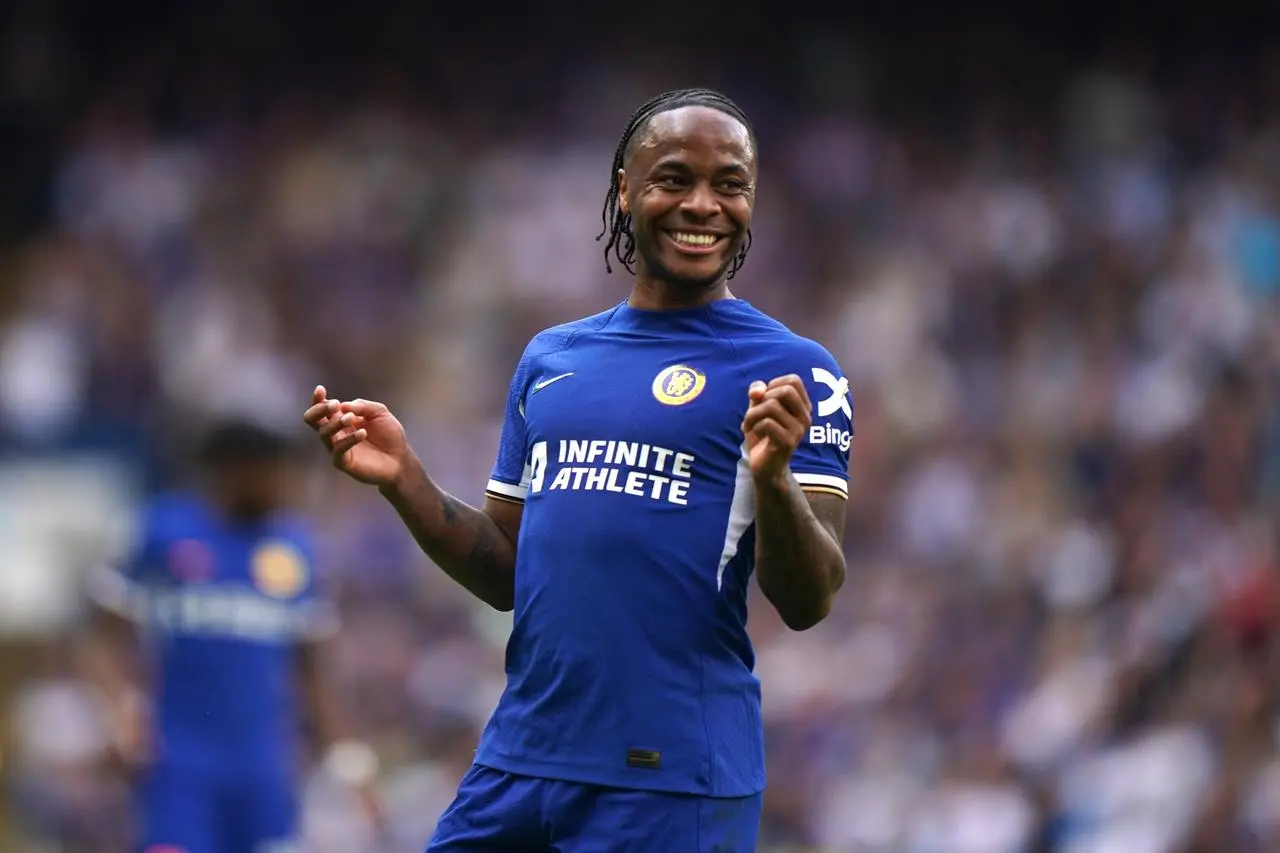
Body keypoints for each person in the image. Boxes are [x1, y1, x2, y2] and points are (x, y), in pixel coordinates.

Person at [304, 87, 853, 853]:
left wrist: (775, 478)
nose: (703, 204)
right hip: (520, 759)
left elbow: (811, 597)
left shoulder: (795, 369)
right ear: (625, 190)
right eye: (673, 178)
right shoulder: (553, 358)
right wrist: (408, 480)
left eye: (729, 184)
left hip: (669, 775)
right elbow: (507, 571)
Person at [82, 417, 383, 853]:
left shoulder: (296, 549)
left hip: (264, 767)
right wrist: (120, 710)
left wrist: (349, 763)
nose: (290, 486)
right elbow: (100, 632)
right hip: (178, 762)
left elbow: (314, 667)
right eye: (280, 472)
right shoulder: (160, 530)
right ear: (239, 471)